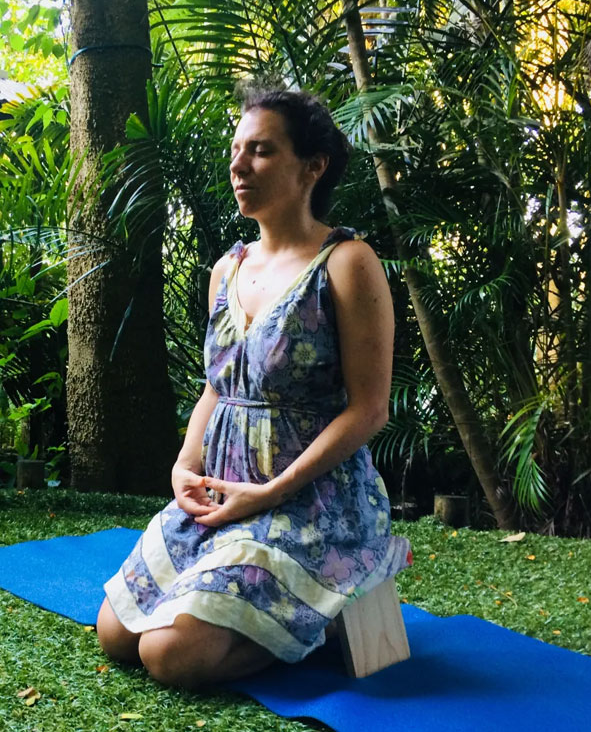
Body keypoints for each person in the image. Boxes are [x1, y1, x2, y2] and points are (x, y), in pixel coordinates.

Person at [96, 87, 413, 689]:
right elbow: (218, 388)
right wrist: (183, 468)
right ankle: (272, 609)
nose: (239, 166)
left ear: (312, 167)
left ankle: (327, 609)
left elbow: (369, 409)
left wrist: (269, 492)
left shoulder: (347, 262)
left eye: (261, 151)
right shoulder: (228, 267)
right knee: (117, 635)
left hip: (309, 502)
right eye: (237, 149)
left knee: (168, 658)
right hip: (224, 494)